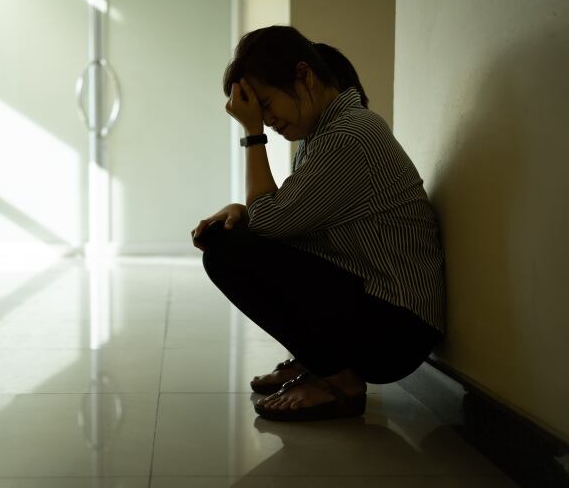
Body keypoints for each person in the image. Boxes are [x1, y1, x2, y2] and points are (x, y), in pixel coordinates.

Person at [190, 25, 446, 422]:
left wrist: (252, 135)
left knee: (227, 252)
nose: (267, 118)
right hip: (385, 317)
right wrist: (242, 212)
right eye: (258, 111)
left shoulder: (350, 137)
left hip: (396, 332)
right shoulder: (323, 139)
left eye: (266, 104)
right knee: (230, 239)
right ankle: (319, 362)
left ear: (304, 76)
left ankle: (339, 380)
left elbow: (272, 222)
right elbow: (289, 227)